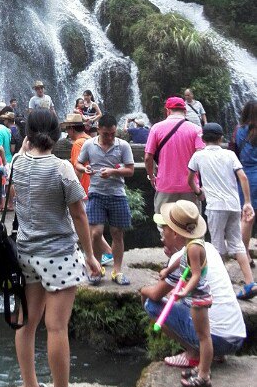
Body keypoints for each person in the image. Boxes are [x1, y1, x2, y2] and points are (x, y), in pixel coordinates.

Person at [12, 110, 100, 387]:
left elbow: (14, 198)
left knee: (27, 322)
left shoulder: (16, 163)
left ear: (27, 133)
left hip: (26, 252)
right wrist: (90, 256)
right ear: (57, 134)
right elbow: (79, 214)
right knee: (57, 326)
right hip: (59, 255)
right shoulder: (62, 168)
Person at [142, 203, 246, 374]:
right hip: (236, 337)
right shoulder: (209, 248)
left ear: (175, 233)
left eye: (164, 231)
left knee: (151, 305)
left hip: (217, 338)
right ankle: (213, 355)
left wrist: (142, 291)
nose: (162, 236)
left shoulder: (182, 256)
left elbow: (154, 295)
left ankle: (194, 354)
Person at [187, 123, 256, 300]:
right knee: (238, 244)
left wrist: (198, 191)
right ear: (221, 138)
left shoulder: (198, 156)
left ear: (202, 139)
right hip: (233, 205)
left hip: (215, 207)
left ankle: (221, 287)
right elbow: (243, 177)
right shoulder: (230, 154)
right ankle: (249, 283)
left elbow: (190, 179)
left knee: (217, 247)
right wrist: (247, 202)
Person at [76, 114, 135, 285]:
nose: (109, 137)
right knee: (95, 233)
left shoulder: (123, 146)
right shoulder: (89, 144)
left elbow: (130, 170)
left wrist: (113, 172)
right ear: (98, 130)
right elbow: (78, 164)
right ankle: (97, 267)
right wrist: (84, 168)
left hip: (117, 194)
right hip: (96, 193)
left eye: (112, 134)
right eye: (105, 134)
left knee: (117, 233)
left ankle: (117, 271)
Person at [64, 112, 113, 272]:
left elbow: (77, 170)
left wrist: (71, 189)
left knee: (90, 227)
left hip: (84, 190)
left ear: (71, 128)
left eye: (67, 129)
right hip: (92, 187)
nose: (66, 132)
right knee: (91, 225)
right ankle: (102, 253)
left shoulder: (79, 143)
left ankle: (107, 252)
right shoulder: (88, 140)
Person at [144, 96, 203, 213]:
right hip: (190, 187)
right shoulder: (196, 129)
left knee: (164, 225)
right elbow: (201, 158)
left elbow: (147, 157)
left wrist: (151, 177)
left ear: (167, 111)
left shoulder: (156, 128)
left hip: (165, 185)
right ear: (185, 111)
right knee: (190, 227)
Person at [234, 100, 257, 266]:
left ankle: (245, 255)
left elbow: (233, 152)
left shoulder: (238, 130)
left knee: (247, 217)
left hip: (244, 176)